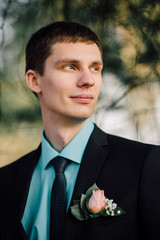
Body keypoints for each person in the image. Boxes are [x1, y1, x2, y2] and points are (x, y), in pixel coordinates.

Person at [0, 21, 160, 240]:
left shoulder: (146, 164)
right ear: (34, 80)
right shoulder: (5, 181)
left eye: (95, 68)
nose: (88, 80)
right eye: (70, 67)